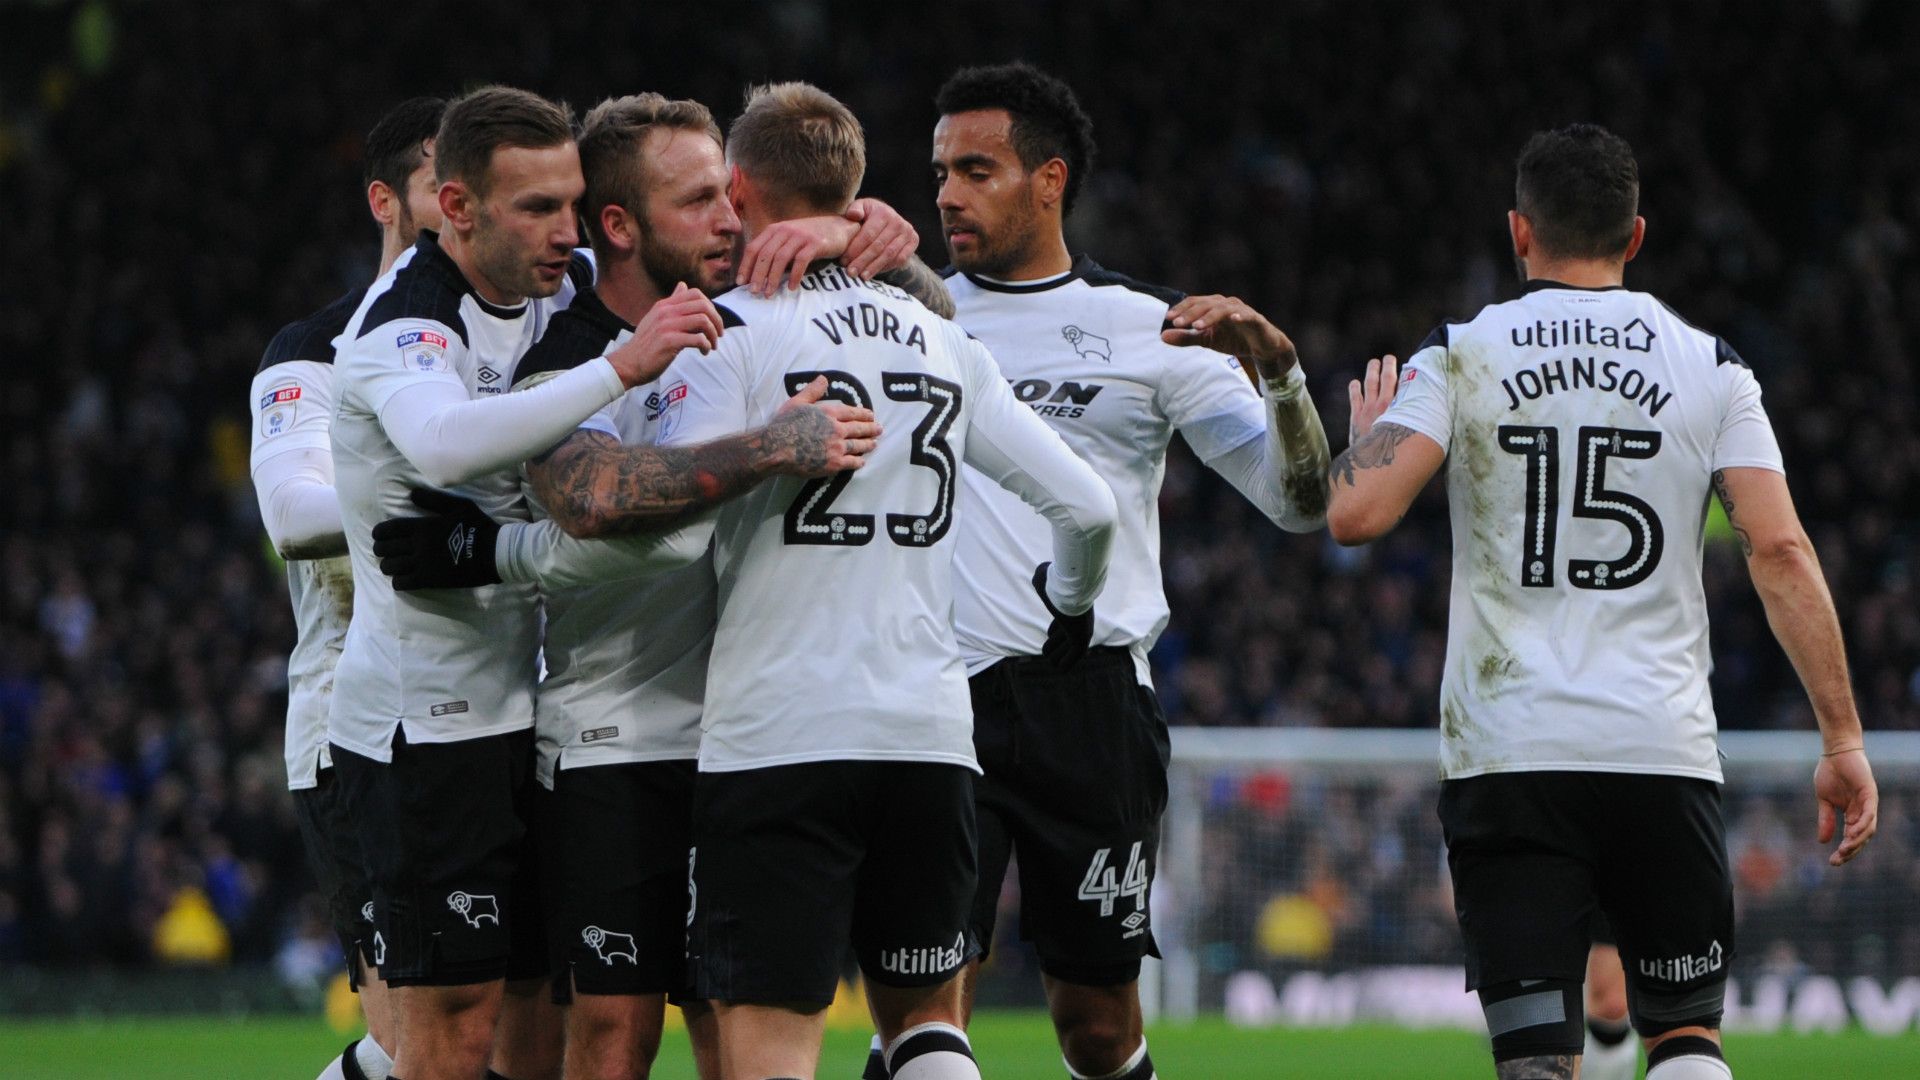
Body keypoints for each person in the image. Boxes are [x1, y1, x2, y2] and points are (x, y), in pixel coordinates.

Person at [1325, 123, 1878, 1080]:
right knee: (1686, 1037)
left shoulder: (1459, 353)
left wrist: (1367, 437)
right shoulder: (1714, 366)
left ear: (1518, 232)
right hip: (1659, 750)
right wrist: (1842, 740)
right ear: (1635, 236)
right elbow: (1780, 550)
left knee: (1538, 1060)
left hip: (1510, 756)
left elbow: (1355, 514)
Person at [657, 81, 1115, 1080]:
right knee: (925, 1029)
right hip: (928, 737)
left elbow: (666, 529)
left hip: (778, 735)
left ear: (738, 190)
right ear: (857, 192)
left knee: (771, 1041)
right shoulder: (948, 339)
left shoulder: (725, 334)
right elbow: (1090, 509)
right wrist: (1067, 615)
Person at [889, 62, 1331, 1080]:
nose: (949, 192)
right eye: (941, 170)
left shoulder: (1151, 327)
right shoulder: (906, 321)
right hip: (927, 694)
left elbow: (1299, 503)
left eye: (977, 169)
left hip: (1089, 705)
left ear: (1049, 180)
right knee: (920, 1004)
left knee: (1095, 1025)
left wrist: (1281, 373)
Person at [481, 91, 915, 1080]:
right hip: (615, 736)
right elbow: (588, 496)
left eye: (731, 194)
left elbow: (935, 345)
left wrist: (878, 239)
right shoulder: (563, 356)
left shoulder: (756, 322)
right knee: (616, 1031)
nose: (730, 220)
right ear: (620, 226)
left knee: (739, 1026)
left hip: (752, 737)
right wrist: (770, 447)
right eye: (697, 203)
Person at [323, 84, 733, 1080]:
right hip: (428, 726)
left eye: (572, 202)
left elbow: (697, 233)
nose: (567, 232)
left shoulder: (548, 285)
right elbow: (448, 446)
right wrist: (618, 369)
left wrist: (862, 228)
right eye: (536, 209)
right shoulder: (405, 326)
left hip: (528, 718)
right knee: (451, 1024)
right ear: (455, 208)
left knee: (535, 1026)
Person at [248, 94, 446, 1080]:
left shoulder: (497, 348)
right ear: (386, 200)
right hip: (352, 731)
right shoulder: (311, 354)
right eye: (438, 182)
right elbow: (293, 520)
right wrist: (453, 484)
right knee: (417, 1044)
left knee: (461, 1037)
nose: (464, 202)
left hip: (485, 716)